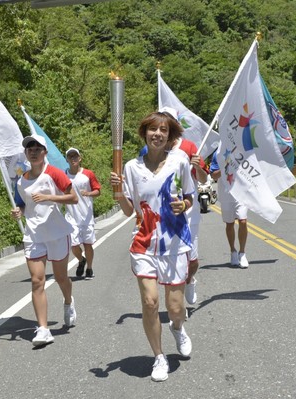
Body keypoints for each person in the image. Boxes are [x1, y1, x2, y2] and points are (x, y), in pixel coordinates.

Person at [109, 111, 195, 382]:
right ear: (144, 133)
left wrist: (184, 205)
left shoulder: (179, 162)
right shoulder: (132, 167)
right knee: (149, 301)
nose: (158, 134)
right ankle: (159, 357)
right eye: (152, 129)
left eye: (163, 130)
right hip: (144, 242)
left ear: (170, 136)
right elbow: (127, 211)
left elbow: (190, 197)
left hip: (174, 242)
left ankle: (178, 328)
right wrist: (119, 192)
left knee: (175, 307)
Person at [11, 134, 79, 347]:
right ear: (26, 153)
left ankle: (68, 301)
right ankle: (43, 329)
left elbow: (73, 197)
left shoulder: (54, 174)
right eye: (29, 148)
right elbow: (22, 203)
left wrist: (50, 197)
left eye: (37, 147)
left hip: (57, 233)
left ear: (44, 152)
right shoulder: (21, 180)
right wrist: (19, 211)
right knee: (37, 281)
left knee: (60, 278)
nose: (33, 150)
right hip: (33, 234)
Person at [138, 107, 209, 305]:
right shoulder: (149, 148)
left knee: (192, 260)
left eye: (168, 122)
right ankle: (174, 302)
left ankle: (189, 279)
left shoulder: (188, 146)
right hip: (161, 216)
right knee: (164, 258)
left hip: (189, 211)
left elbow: (203, 178)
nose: (161, 129)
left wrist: (196, 165)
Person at [64, 147, 102, 280]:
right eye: (70, 157)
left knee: (88, 244)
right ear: (67, 160)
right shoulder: (64, 175)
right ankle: (81, 260)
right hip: (71, 216)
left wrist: (89, 193)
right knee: (73, 244)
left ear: (80, 158)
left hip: (86, 216)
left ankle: (89, 268)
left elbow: (98, 190)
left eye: (75, 156)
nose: (73, 159)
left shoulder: (88, 174)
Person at [209, 148, 250, 268]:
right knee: (230, 223)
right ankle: (233, 251)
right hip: (226, 193)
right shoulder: (217, 153)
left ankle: (242, 253)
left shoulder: (243, 149)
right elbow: (213, 175)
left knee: (243, 221)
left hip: (241, 192)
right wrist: (225, 165)